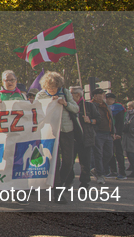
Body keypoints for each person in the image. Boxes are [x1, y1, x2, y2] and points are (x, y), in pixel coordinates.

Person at [36, 72, 78, 203]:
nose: (52, 89)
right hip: (50, 133)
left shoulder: (65, 92)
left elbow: (76, 108)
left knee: (68, 161)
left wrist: (65, 104)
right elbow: (36, 111)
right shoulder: (41, 94)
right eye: (50, 87)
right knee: (55, 163)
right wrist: (49, 104)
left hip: (66, 131)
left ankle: (62, 182)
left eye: (55, 86)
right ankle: (58, 193)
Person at [68, 87, 101, 189]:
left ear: (78, 95)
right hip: (72, 138)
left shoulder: (89, 106)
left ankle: (84, 183)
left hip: (85, 138)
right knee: (69, 162)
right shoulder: (68, 106)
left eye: (71, 93)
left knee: (85, 163)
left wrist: (90, 120)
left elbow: (99, 119)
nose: (69, 95)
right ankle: (68, 182)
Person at [90, 88, 114, 185]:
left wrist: (113, 131)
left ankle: (96, 169)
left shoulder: (105, 105)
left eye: (103, 94)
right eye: (100, 95)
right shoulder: (91, 105)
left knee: (109, 154)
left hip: (108, 133)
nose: (102, 96)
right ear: (95, 96)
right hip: (98, 132)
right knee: (98, 154)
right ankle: (100, 175)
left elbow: (110, 119)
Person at [105, 93, 126, 179]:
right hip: (108, 133)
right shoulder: (106, 107)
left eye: (106, 98)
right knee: (110, 152)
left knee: (118, 153)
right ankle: (113, 171)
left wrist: (118, 134)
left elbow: (120, 122)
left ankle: (122, 172)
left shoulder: (118, 107)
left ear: (110, 99)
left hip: (116, 133)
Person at [122, 101, 134, 179]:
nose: (127, 107)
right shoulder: (128, 114)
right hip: (127, 135)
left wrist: (132, 130)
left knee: (131, 153)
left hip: (133, 136)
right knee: (128, 153)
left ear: (133, 107)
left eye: (129, 106)